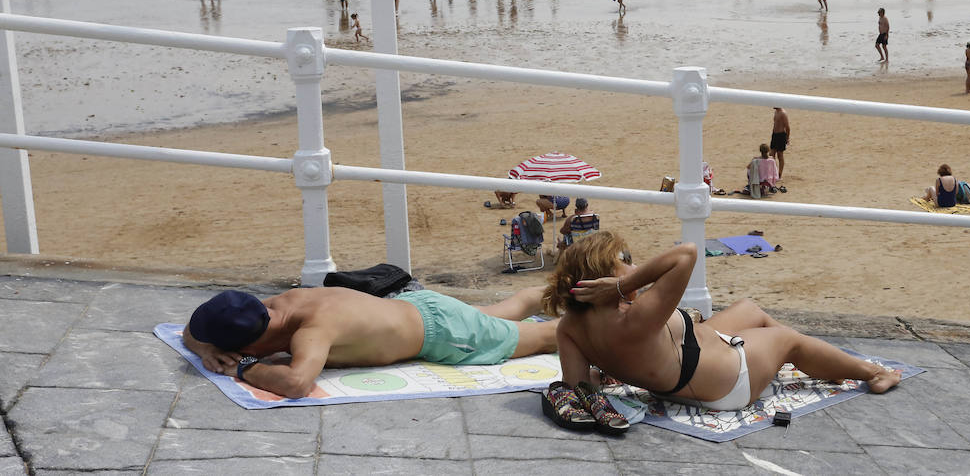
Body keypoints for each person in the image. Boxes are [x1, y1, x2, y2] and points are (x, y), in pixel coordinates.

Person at [540, 235, 899, 427]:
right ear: (604, 278)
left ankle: (814, 363)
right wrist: (620, 288)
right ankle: (874, 372)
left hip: (686, 372)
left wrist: (609, 372)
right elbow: (686, 254)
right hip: (726, 384)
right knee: (788, 340)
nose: (634, 268)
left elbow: (577, 388)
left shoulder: (571, 327)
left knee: (749, 310)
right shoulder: (634, 318)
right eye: (626, 265)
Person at [182, 285, 557, 400]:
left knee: (546, 336)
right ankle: (567, 281)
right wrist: (206, 349)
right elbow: (193, 331)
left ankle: (608, 300)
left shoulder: (312, 331)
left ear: (257, 341)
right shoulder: (266, 306)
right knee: (507, 310)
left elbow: (296, 384)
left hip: (446, 335)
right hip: (418, 305)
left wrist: (246, 367)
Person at [769, 107, 790, 179]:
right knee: (771, 155)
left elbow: (787, 127)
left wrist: (787, 138)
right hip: (774, 135)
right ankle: (774, 173)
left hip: (781, 136)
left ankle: (779, 174)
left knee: (780, 155)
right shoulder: (776, 112)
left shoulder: (783, 113)